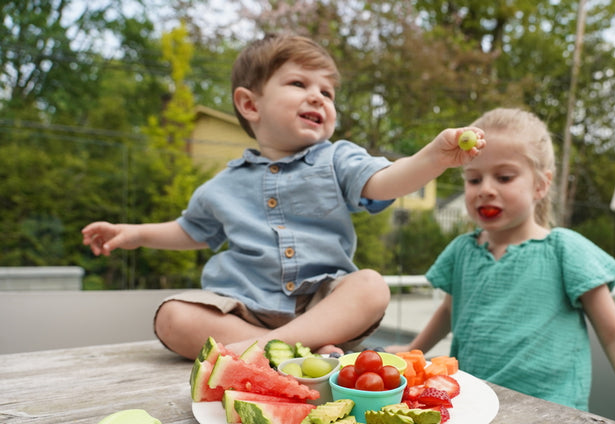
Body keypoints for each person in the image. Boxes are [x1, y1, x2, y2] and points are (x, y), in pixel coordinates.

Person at [82, 33, 485, 360]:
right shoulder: (223, 184)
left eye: (327, 93)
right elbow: (190, 230)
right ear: (250, 104)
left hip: (319, 305)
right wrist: (134, 234)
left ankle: (270, 349)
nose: (318, 98)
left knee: (372, 286)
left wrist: (433, 157)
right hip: (242, 305)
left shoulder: (337, 159)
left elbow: (387, 180)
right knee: (172, 316)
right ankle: (295, 351)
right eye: (299, 84)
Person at [387, 108, 615, 424]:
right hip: (472, 416)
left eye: (504, 177)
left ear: (541, 185)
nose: (485, 189)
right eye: (473, 179)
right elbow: (449, 311)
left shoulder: (565, 250)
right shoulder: (462, 251)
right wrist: (411, 352)